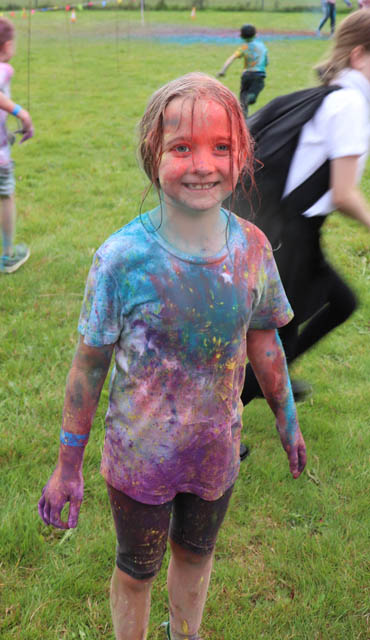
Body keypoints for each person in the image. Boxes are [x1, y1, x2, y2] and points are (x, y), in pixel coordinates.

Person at [38, 72, 306, 640]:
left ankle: (185, 633)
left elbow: (264, 337)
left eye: (221, 147)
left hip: (216, 449)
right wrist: (67, 464)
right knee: (136, 569)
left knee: (196, 555)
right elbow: (89, 366)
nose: (203, 164)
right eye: (181, 147)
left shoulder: (252, 247)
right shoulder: (121, 259)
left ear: (242, 157)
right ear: (152, 155)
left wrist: (287, 420)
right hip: (139, 459)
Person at [240, 9, 370, 410]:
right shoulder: (349, 105)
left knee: (339, 304)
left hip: (288, 229)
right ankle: (217, 422)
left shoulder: (333, 96)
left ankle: (266, 380)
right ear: (360, 55)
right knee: (281, 333)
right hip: (288, 237)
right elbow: (344, 192)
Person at [0, 17, 34, 274]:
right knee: (5, 195)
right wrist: (20, 112)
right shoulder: (4, 70)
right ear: (7, 45)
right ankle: (9, 255)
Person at [217, 24, 268, 117]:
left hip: (246, 74)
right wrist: (265, 64)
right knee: (258, 87)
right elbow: (266, 60)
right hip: (259, 74)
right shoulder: (262, 46)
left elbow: (232, 58)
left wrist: (223, 70)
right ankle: (251, 97)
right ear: (256, 34)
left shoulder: (244, 47)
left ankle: (243, 117)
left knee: (243, 97)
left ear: (241, 36)